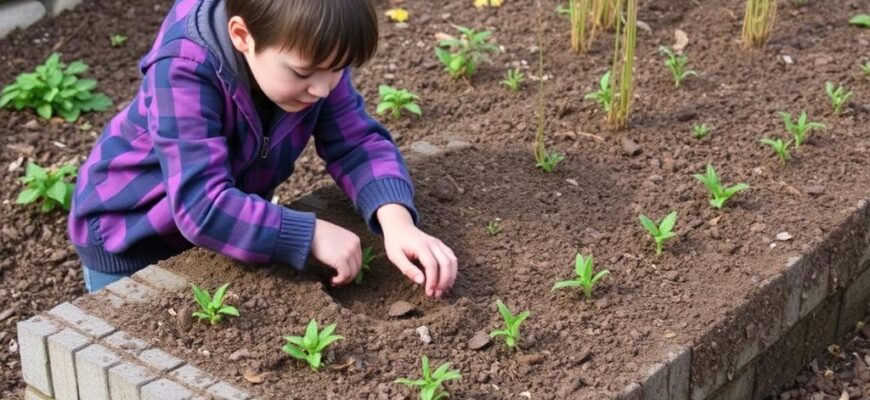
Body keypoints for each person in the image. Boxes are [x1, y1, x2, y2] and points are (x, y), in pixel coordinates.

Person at [67, 0, 457, 298]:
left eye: (337, 70)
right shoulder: (184, 67)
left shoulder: (311, 48)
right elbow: (202, 206)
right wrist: (311, 233)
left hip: (210, 225)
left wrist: (396, 222)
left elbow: (358, 143)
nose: (323, 88)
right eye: (303, 74)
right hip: (130, 233)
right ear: (242, 36)